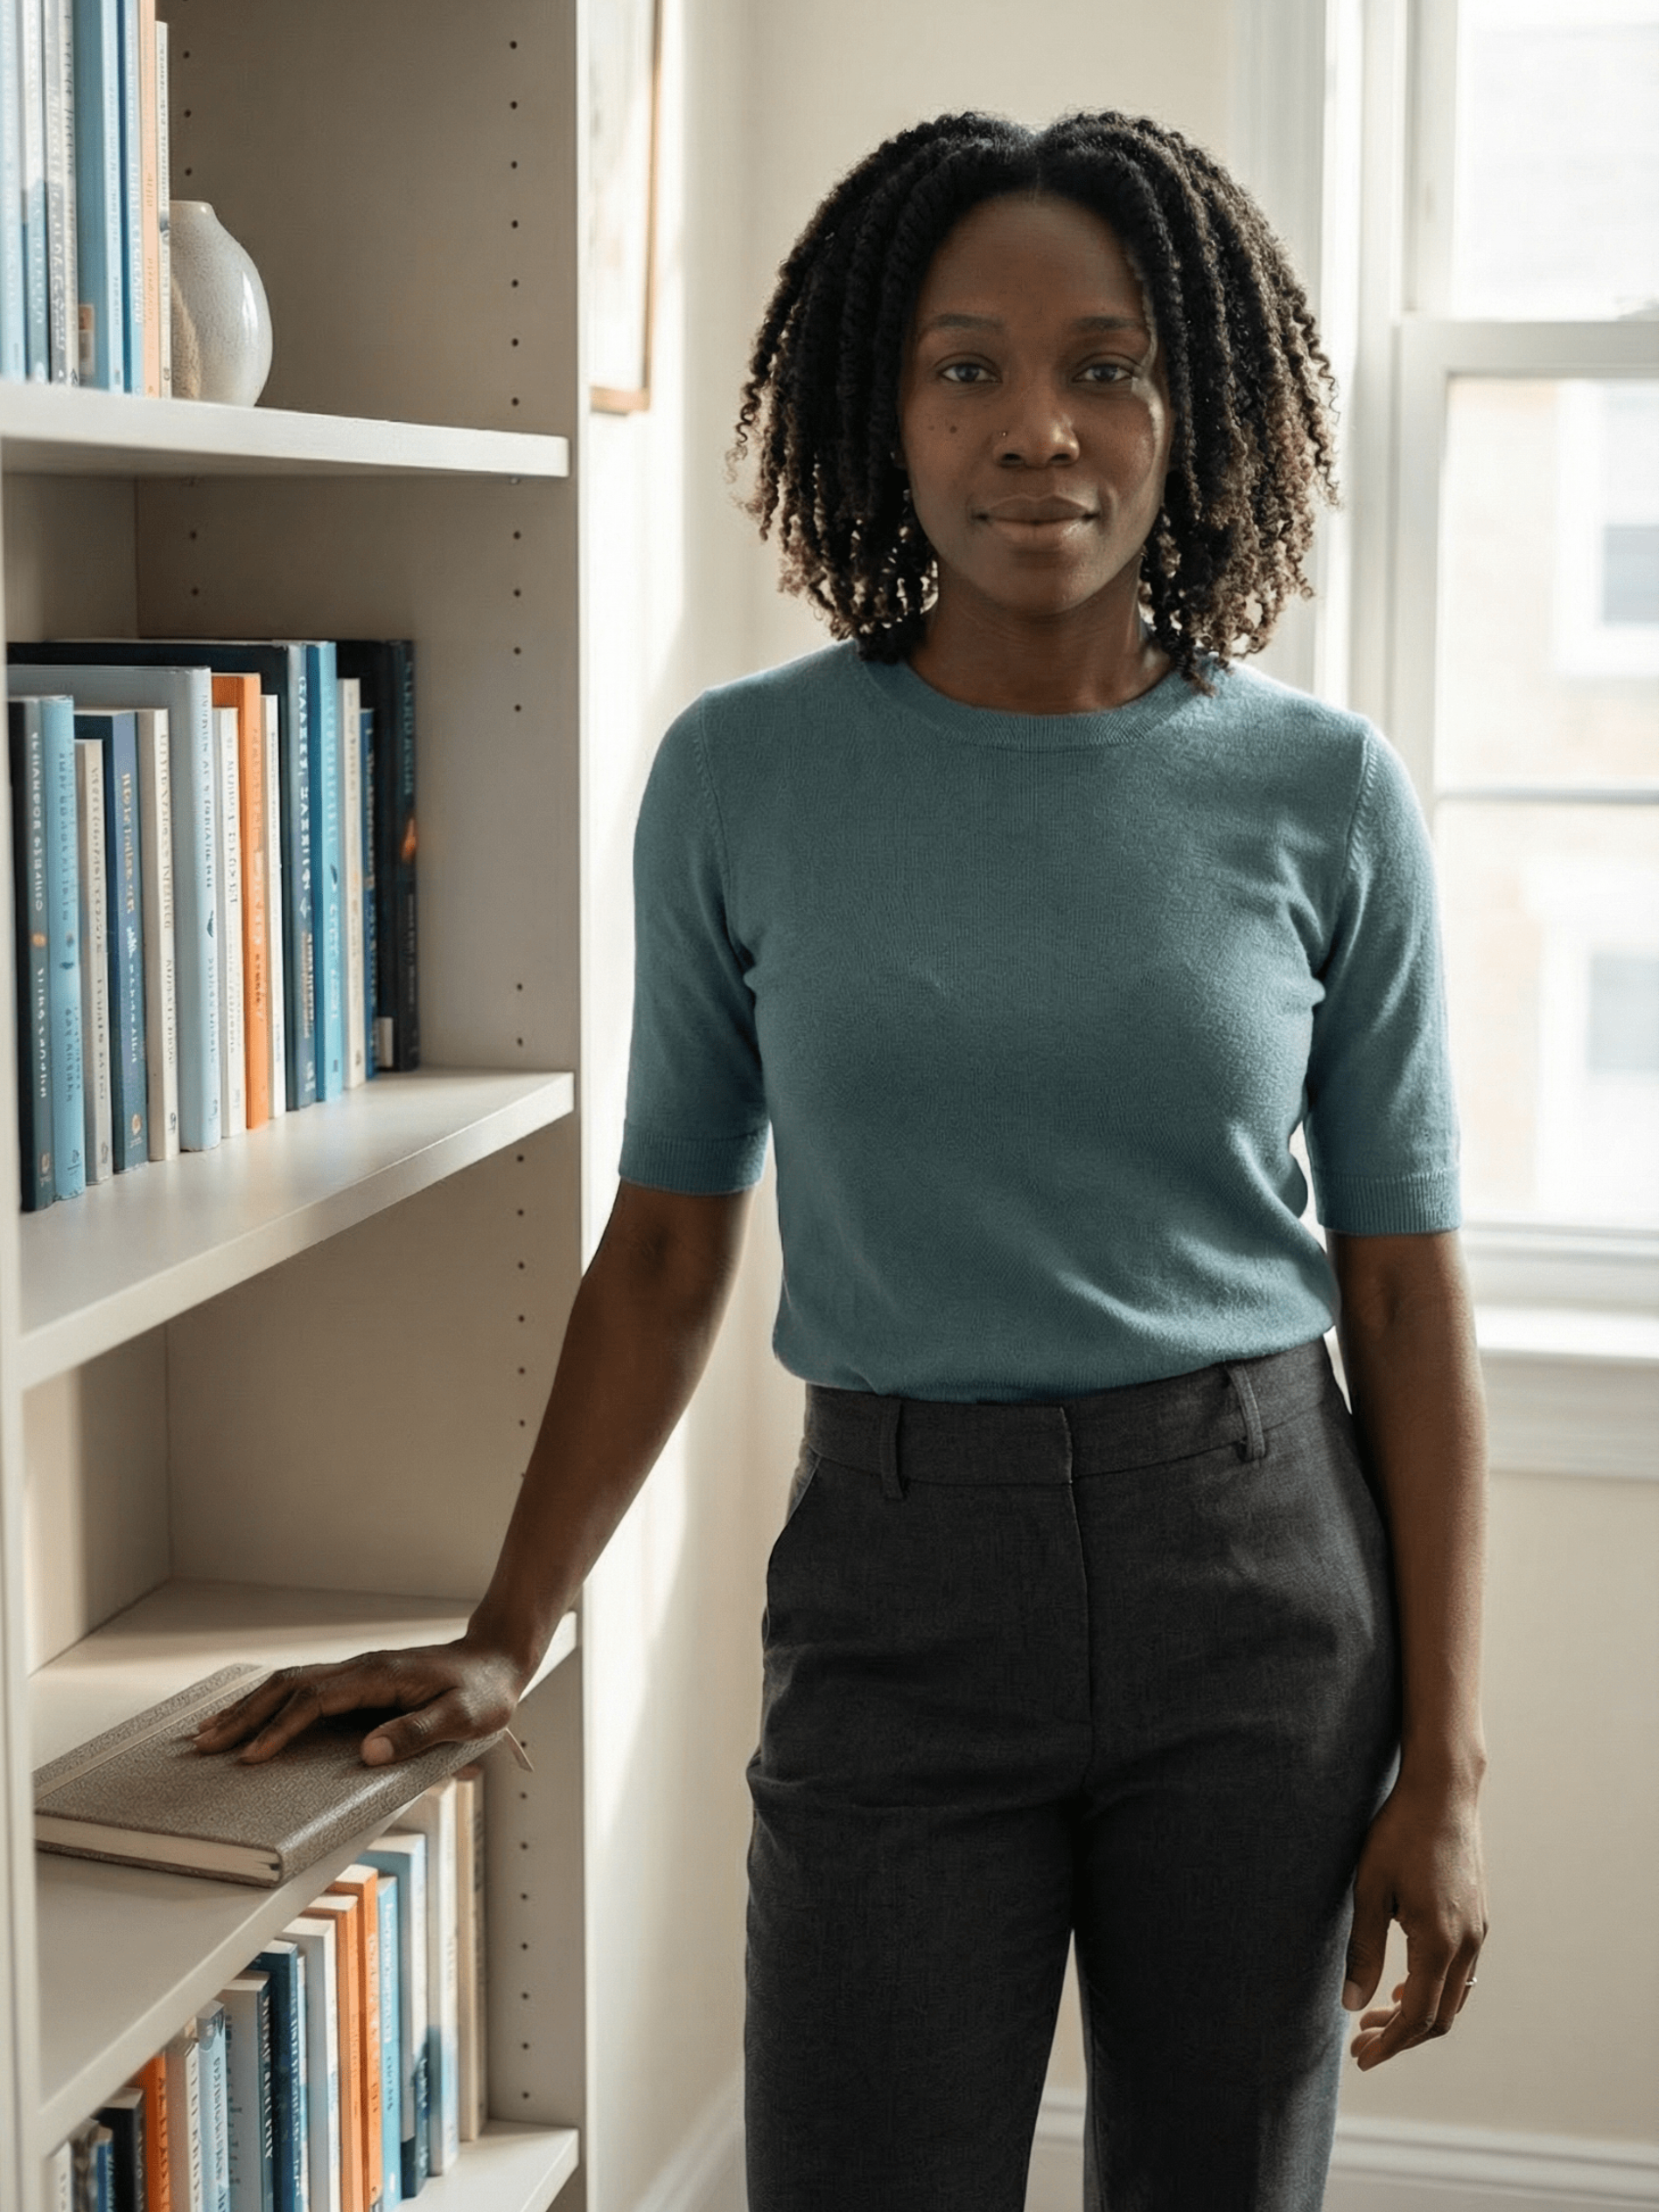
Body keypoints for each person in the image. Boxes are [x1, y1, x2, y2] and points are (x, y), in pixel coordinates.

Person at [197, 109, 1489, 2212]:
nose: (1039, 430)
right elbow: (668, 1246)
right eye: (967, 366)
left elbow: (1410, 1296)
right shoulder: (743, 775)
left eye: (1108, 363)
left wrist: (1453, 1760)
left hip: (1261, 1582)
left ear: (1202, 401)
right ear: (877, 406)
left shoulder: (1324, 795)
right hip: (897, 1592)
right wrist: (509, 1623)